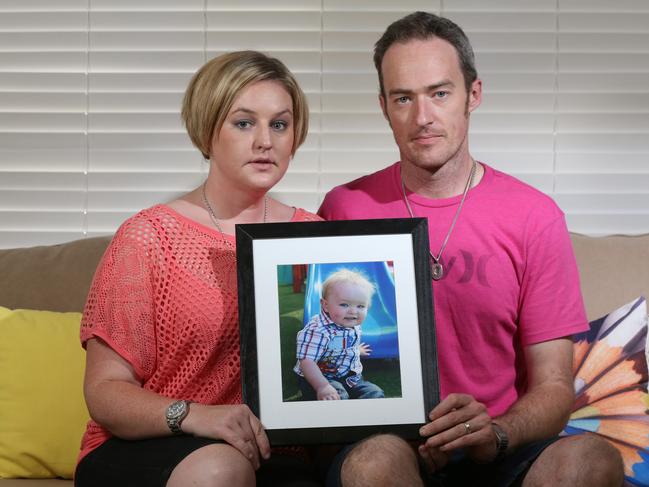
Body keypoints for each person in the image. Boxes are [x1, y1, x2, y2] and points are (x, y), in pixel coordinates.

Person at [318, 11, 624, 487]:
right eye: (404, 98)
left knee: (590, 459)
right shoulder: (345, 206)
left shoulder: (533, 216)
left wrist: (496, 433)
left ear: (473, 95)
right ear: (384, 106)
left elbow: (554, 387)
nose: (423, 117)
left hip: (499, 444)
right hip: (391, 443)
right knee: (376, 460)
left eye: (440, 93)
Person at [74, 50, 321, 487]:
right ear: (207, 131)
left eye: (279, 124)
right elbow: (105, 392)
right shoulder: (149, 237)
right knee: (221, 467)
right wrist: (196, 416)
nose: (265, 140)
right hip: (156, 443)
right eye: (244, 122)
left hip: (277, 451)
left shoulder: (313, 235)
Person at [293, 268, 384, 401]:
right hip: (317, 377)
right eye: (344, 304)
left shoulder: (352, 323)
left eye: (360, 306)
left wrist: (355, 350)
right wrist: (322, 386)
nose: (353, 311)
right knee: (338, 397)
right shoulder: (317, 331)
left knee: (375, 392)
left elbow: (341, 343)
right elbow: (307, 362)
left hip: (348, 376)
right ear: (325, 306)